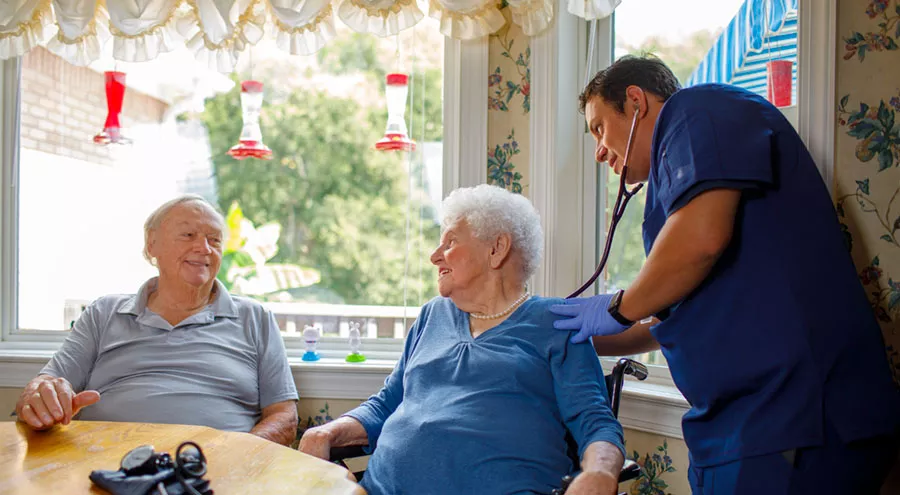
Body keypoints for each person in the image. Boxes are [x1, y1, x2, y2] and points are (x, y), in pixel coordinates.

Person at [550, 55, 900, 493]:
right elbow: (663, 321)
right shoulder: (672, 186)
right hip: (738, 427)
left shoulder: (698, 110)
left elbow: (701, 241)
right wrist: (563, 337)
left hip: (790, 416)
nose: (600, 151)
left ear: (636, 101)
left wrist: (617, 306)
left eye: (599, 127)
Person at [299, 184, 625, 495]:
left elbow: (595, 423)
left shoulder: (557, 323)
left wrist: (599, 472)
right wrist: (327, 431)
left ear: (496, 249)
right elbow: (387, 403)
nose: (435, 256)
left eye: (450, 242)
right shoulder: (432, 316)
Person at [14, 195, 299, 446]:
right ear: (152, 245)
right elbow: (43, 386)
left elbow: (283, 416)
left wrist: (244, 455)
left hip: (213, 473)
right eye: (188, 235)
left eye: (214, 240)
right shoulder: (104, 312)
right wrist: (43, 399)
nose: (204, 248)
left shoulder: (255, 317)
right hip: (104, 463)